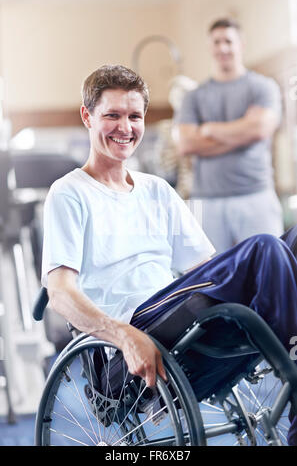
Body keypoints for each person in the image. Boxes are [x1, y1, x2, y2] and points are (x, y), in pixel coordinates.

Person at [42, 64, 297, 445]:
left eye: (134, 116)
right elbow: (59, 292)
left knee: (287, 242)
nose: (124, 128)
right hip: (137, 325)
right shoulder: (69, 193)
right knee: (264, 247)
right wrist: (125, 337)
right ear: (87, 116)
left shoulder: (156, 189)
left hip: (179, 314)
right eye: (112, 115)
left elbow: (205, 269)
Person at [175, 17, 284, 254]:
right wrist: (243, 132)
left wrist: (209, 130)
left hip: (256, 195)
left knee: (267, 271)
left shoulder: (263, 87)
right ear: (209, 47)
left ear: (241, 44)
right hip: (206, 201)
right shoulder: (194, 96)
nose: (223, 47)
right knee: (208, 278)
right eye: (216, 42)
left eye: (228, 41)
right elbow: (185, 143)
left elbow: (260, 129)